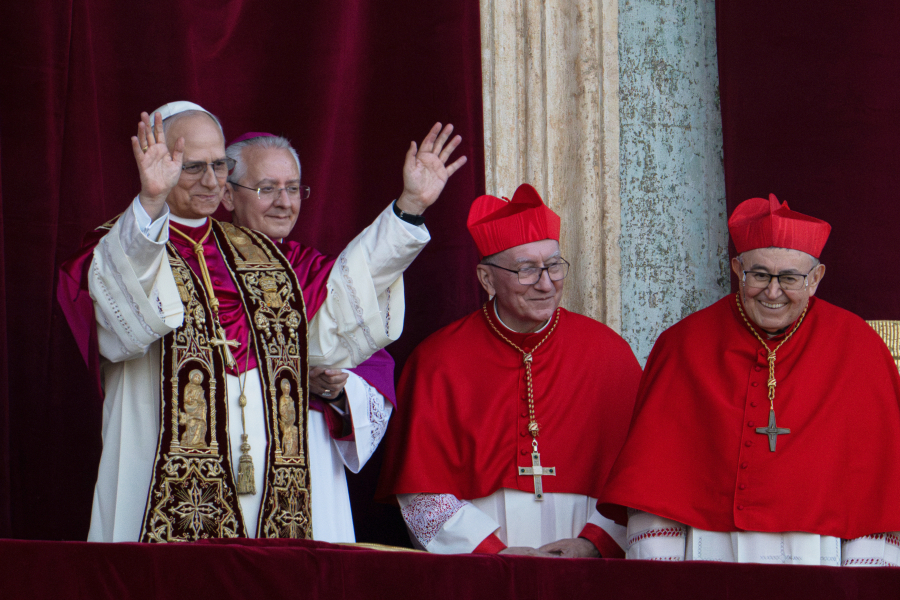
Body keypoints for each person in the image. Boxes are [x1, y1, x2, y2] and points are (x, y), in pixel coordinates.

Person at [57, 101, 466, 543]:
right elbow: (124, 320)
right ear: (157, 164)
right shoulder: (123, 242)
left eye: (218, 165)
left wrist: (408, 208)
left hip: (269, 487)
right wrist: (152, 200)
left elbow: (344, 307)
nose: (210, 180)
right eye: (192, 167)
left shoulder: (265, 255)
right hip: (159, 481)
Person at [598, 194, 900, 566]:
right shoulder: (684, 344)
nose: (773, 292)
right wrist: (662, 580)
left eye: (789, 278)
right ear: (738, 269)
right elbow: (654, 483)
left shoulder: (859, 348)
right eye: (759, 275)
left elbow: (877, 491)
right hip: (709, 556)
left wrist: (863, 582)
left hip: (824, 555)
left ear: (815, 278)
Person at [377, 184, 642, 557]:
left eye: (553, 266)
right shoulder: (438, 361)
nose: (546, 284)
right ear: (487, 279)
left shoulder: (609, 353)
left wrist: (593, 545)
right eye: (527, 269)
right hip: (481, 565)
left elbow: (641, 474)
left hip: (590, 562)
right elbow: (421, 494)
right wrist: (492, 554)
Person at [221, 131, 399, 542]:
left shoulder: (320, 273)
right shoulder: (201, 270)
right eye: (267, 189)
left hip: (308, 457)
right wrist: (299, 377)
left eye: (293, 188)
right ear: (228, 196)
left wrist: (338, 388)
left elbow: (371, 365)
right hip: (227, 448)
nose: (284, 202)